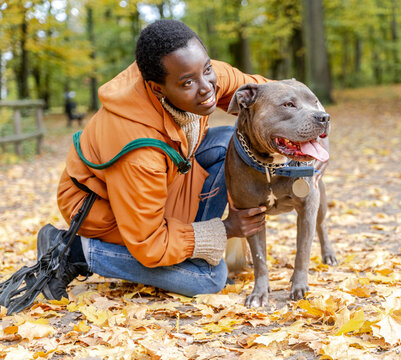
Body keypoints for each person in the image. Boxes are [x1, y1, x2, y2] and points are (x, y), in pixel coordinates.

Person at [37, 19, 269, 301]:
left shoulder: (192, 69)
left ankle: (196, 251)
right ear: (158, 89)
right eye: (188, 82)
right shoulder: (138, 152)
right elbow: (150, 245)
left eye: (207, 69)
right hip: (102, 207)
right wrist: (226, 229)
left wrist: (305, 134)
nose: (207, 87)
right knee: (209, 279)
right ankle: (74, 251)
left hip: (164, 179)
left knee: (228, 143)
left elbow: (267, 92)